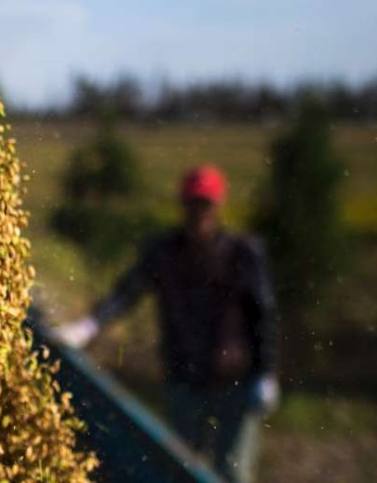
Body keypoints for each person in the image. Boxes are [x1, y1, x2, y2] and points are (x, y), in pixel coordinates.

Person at [53, 165, 279, 483]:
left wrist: (265, 373)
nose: (198, 212)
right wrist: (89, 326)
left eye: (205, 204)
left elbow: (262, 315)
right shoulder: (165, 253)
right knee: (182, 468)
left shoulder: (241, 254)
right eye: (192, 203)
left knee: (231, 471)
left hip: (235, 382)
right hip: (185, 379)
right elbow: (127, 292)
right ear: (183, 205)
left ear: (217, 206)